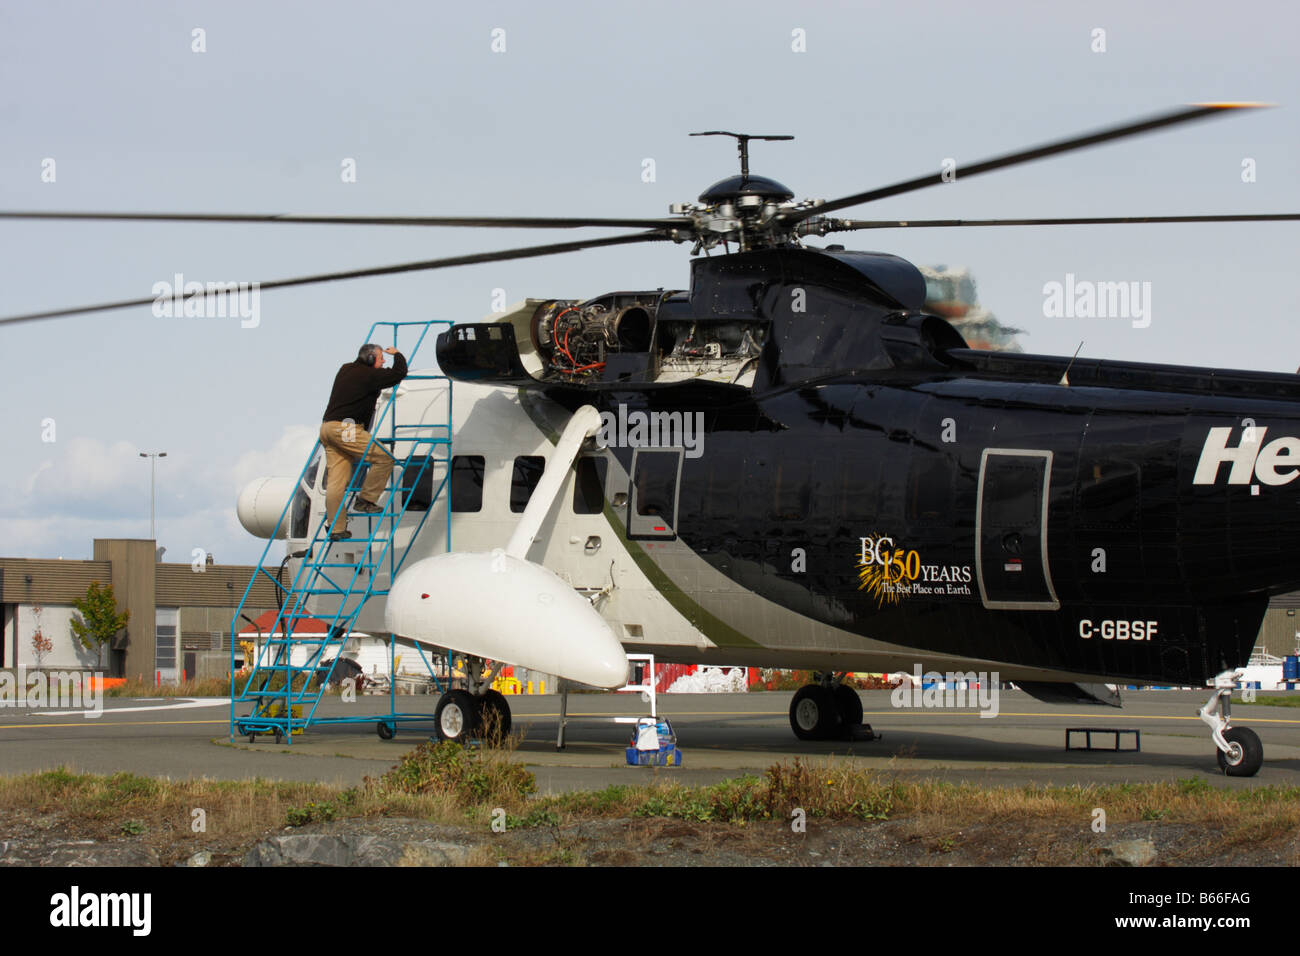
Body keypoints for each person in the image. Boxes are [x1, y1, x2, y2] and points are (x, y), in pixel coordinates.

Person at [320, 343, 408, 540]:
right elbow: (398, 374)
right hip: (346, 429)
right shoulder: (370, 376)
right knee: (384, 458)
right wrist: (397, 355)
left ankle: (336, 528)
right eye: (380, 358)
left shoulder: (345, 369)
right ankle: (366, 500)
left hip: (327, 428)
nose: (383, 361)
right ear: (370, 359)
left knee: (336, 482)